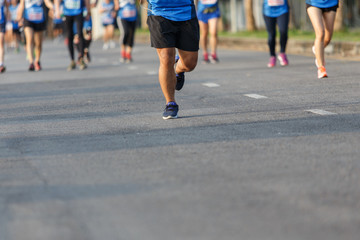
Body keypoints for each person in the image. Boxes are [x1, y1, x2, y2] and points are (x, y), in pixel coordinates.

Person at [139, 0, 199, 119]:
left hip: (186, 11)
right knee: (166, 58)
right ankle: (170, 103)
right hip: (158, 12)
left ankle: (178, 70)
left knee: (190, 64)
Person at [17, 0, 55, 71]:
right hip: (28, 19)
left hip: (39, 19)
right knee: (29, 39)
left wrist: (52, 7)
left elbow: (47, 2)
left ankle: (37, 60)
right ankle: (31, 62)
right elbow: (21, 5)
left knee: (38, 43)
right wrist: (19, 17)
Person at [55, 0, 91, 71]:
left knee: (80, 34)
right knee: (69, 35)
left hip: (78, 12)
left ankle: (81, 58)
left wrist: (88, 11)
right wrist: (57, 10)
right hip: (67, 13)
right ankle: (72, 60)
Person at [306, 0, 338, 79]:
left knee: (328, 38)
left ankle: (317, 49)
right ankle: (321, 68)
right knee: (320, 33)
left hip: (331, 3)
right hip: (313, 3)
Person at [263, 0, 289, 68]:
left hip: (283, 10)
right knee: (271, 35)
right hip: (268, 11)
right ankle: (272, 56)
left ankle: (282, 53)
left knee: (283, 31)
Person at [0, 0, 8, 73]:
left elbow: (7, 5)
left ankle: (1, 64)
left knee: (1, 42)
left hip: (1, 22)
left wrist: (8, 13)